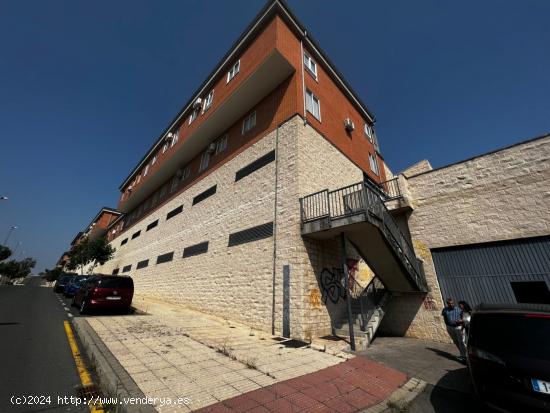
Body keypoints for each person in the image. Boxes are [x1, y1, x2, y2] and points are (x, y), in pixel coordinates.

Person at [441, 297, 467, 361]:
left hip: (458, 327)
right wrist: (447, 324)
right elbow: (444, 317)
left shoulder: (458, 309)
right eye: (450, 304)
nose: (451, 304)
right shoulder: (445, 310)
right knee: (456, 341)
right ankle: (463, 354)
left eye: (452, 303)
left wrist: (461, 322)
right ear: (447, 304)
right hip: (450, 327)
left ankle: (464, 356)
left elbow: (463, 318)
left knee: (461, 342)